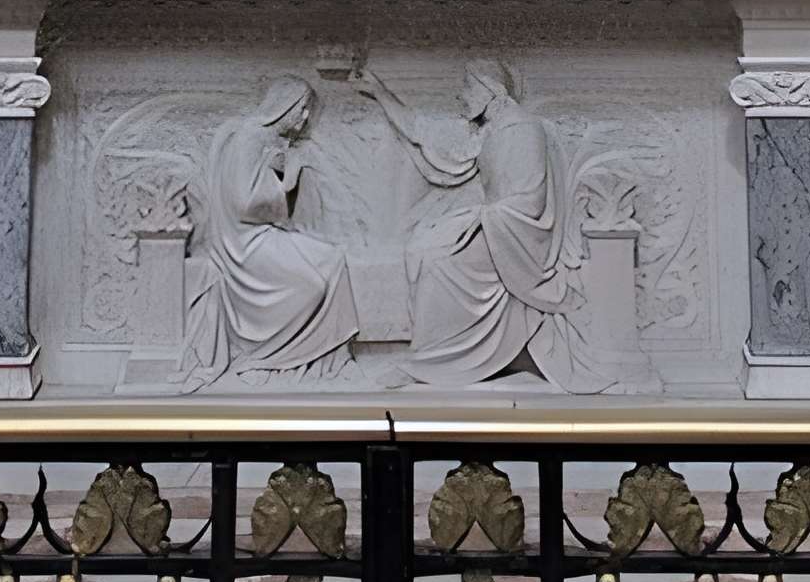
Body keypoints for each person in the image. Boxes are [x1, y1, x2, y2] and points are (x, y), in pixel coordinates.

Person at [354, 58, 607, 391]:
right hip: (500, 230)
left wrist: (477, 218)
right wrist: (380, 91)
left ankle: (428, 363)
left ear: (492, 91)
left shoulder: (521, 129)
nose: (462, 96)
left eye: (468, 88)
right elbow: (424, 132)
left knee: (439, 262)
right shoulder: (489, 131)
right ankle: (433, 358)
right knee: (425, 249)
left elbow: (528, 201)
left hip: (520, 240)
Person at [178, 74, 359, 391]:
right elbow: (245, 205)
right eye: (301, 109)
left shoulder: (260, 140)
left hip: (260, 235)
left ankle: (334, 360)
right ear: (283, 107)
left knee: (335, 259)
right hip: (243, 245)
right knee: (314, 285)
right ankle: (263, 358)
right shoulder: (250, 138)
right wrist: (287, 180)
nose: (304, 118)